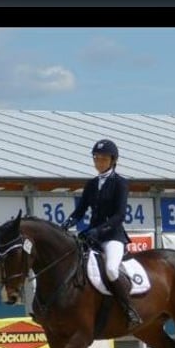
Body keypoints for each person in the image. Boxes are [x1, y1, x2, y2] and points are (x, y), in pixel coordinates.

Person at [60, 139, 143, 331]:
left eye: (103, 159)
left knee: (112, 270)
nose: (98, 162)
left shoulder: (120, 183)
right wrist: (67, 223)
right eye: (96, 158)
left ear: (113, 160)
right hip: (92, 237)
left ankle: (129, 310)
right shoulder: (91, 184)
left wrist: (98, 230)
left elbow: (119, 215)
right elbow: (80, 211)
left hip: (112, 236)